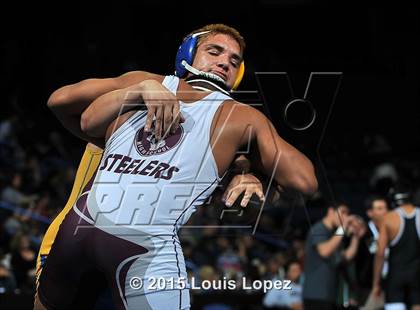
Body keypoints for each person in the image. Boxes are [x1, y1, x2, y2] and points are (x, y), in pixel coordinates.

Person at [35, 24, 318, 309]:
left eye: (234, 61)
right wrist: (139, 90)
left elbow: (74, 113)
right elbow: (60, 101)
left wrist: (250, 172)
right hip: (142, 249)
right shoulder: (153, 85)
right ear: (189, 53)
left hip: (75, 233)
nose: (224, 63)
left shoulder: (235, 115)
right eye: (215, 51)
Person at [302, 202, 365, 310]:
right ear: (330, 211)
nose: (345, 217)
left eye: (347, 213)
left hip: (329, 295)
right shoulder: (319, 229)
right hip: (316, 295)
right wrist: (343, 227)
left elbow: (346, 257)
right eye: (343, 212)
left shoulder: (334, 234)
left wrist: (356, 237)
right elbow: (324, 251)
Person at [372, 183, 420, 310]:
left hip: (396, 276)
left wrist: (376, 283)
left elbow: (380, 253)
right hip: (417, 276)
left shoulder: (388, 218)